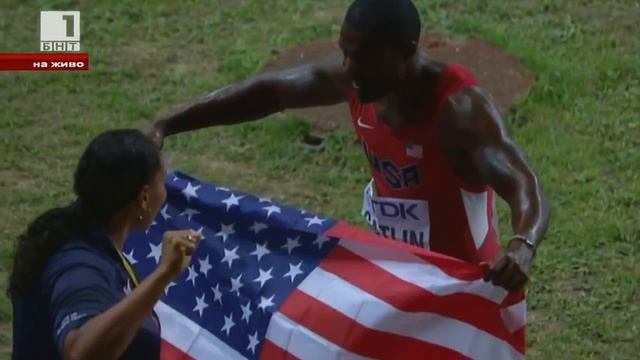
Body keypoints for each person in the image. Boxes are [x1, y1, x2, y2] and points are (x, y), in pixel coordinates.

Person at [145, 0, 550, 292]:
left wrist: (523, 244)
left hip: (465, 283)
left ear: (407, 51)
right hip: (396, 270)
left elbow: (523, 183)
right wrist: (169, 123)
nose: (348, 69)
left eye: (363, 58)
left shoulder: (460, 109)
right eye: (345, 54)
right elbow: (267, 94)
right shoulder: (357, 81)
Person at [8, 129, 203, 359]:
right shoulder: (79, 267)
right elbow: (81, 352)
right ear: (144, 198)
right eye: (163, 180)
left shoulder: (77, 232)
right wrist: (164, 273)